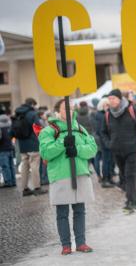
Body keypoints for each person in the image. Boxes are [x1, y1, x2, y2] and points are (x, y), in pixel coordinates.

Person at [39, 99, 97, 255]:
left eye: (71, 108)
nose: (69, 111)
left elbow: (92, 149)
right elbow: (45, 153)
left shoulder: (80, 128)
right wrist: (62, 143)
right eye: (66, 108)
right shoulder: (49, 130)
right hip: (61, 175)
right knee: (62, 212)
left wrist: (77, 150)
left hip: (79, 172)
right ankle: (65, 245)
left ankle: (81, 243)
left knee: (80, 210)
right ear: (58, 111)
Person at [101, 89, 136, 212]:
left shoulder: (132, 110)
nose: (111, 101)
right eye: (109, 99)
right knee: (123, 175)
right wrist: (109, 144)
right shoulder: (108, 114)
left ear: (120, 99)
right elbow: (103, 132)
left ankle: (132, 201)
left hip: (132, 149)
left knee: (129, 174)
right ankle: (132, 199)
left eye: (113, 98)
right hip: (116, 150)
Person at [14, 98, 47, 196]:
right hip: (32, 143)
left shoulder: (18, 113)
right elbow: (38, 127)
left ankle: (25, 189)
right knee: (34, 165)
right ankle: (37, 187)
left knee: (24, 165)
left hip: (22, 144)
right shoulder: (32, 114)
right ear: (32, 104)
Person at [94, 98, 114, 188]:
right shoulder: (100, 115)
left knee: (110, 161)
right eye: (105, 105)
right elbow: (100, 130)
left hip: (109, 141)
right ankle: (105, 179)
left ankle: (109, 178)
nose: (107, 107)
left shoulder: (107, 114)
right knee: (106, 161)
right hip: (104, 142)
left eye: (108, 105)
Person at [0, 109, 16, 188]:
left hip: (2, 148)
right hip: (10, 147)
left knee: (4, 166)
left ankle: (8, 182)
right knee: (11, 166)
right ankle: (13, 181)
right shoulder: (10, 123)